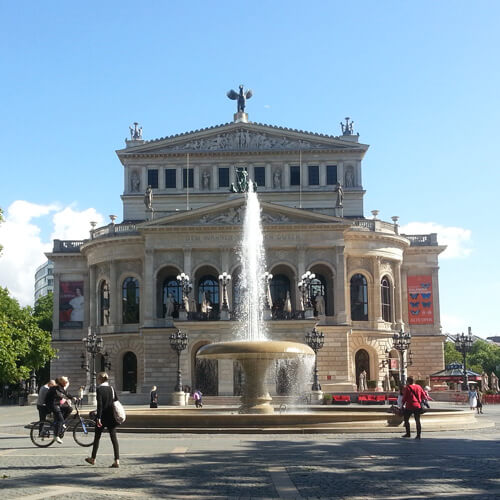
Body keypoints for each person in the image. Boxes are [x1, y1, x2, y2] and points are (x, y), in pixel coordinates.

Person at [85, 372, 120, 468]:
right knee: (114, 439)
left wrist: (99, 418)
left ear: (100, 379)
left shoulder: (99, 389)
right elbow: (116, 400)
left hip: (103, 417)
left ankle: (93, 458)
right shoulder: (111, 389)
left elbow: (100, 405)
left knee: (97, 438)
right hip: (112, 417)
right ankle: (117, 460)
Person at [45, 376, 75, 444]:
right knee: (60, 419)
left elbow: (66, 393)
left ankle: (62, 423)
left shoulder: (61, 387)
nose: (67, 383)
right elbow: (62, 395)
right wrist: (72, 398)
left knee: (69, 408)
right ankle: (56, 436)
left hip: (57, 404)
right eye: (66, 382)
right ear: (62, 382)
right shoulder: (56, 388)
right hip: (52, 404)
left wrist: (73, 397)